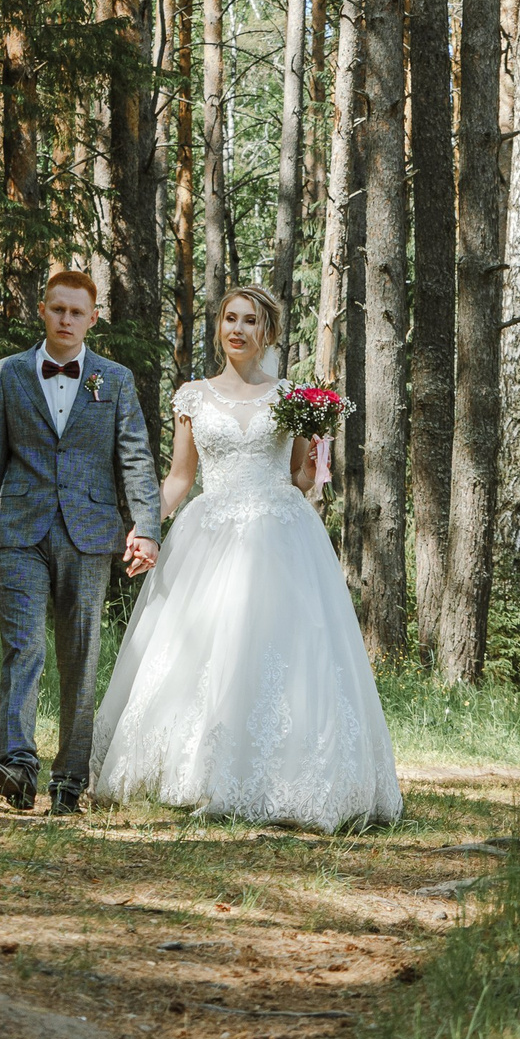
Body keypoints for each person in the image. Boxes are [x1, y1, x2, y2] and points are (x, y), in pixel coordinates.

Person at [90, 285, 403, 831]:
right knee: (201, 649)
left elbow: (301, 479)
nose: (236, 328)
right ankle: (195, 772)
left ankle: (292, 780)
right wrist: (144, 526)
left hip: (280, 534)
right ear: (219, 328)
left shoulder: (291, 396)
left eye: (249, 320)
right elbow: (180, 479)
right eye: (229, 318)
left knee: (285, 653)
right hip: (208, 533)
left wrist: (319, 449)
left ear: (267, 332)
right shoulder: (192, 395)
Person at [0, 270, 162, 815]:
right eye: (58, 310)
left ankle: (69, 780)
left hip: (90, 533)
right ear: (43, 312)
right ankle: (18, 766)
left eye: (77, 312)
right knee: (23, 646)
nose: (67, 320)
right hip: (19, 532)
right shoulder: (8, 374)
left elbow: (136, 459)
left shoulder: (115, 380)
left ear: (93, 319)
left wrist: (145, 526)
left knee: (80, 655)